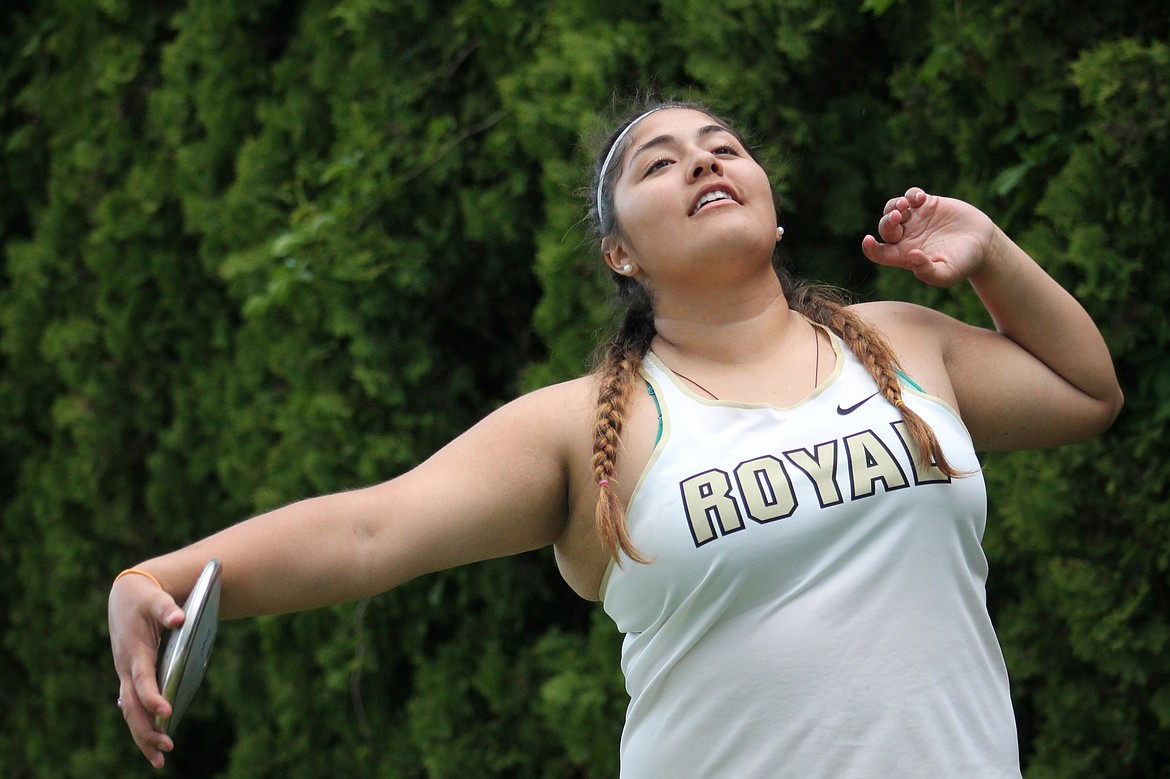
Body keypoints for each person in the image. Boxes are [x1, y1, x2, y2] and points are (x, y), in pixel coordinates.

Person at [109, 101, 1123, 776]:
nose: (705, 160)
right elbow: (373, 530)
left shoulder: (900, 342)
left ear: (772, 215)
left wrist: (992, 256)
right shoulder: (585, 422)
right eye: (661, 162)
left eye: (724, 145)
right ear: (620, 252)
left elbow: (1085, 392)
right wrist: (167, 573)